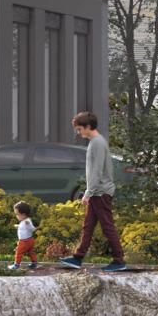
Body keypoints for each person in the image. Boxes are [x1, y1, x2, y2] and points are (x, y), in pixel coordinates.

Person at [60, 110, 126, 272]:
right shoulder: (97, 142)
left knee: (107, 227)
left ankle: (119, 260)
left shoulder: (97, 143)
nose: (78, 132)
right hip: (99, 191)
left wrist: (88, 193)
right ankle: (77, 258)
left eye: (79, 129)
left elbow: (96, 171)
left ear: (88, 126)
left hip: (100, 192)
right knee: (88, 226)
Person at [10, 201, 39, 271]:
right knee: (31, 251)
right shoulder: (24, 221)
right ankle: (34, 263)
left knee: (18, 252)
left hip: (25, 241)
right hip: (29, 240)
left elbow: (32, 229)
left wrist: (28, 225)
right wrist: (18, 226)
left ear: (23, 214)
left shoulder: (27, 222)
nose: (16, 216)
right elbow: (23, 227)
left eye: (17, 214)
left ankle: (16, 265)